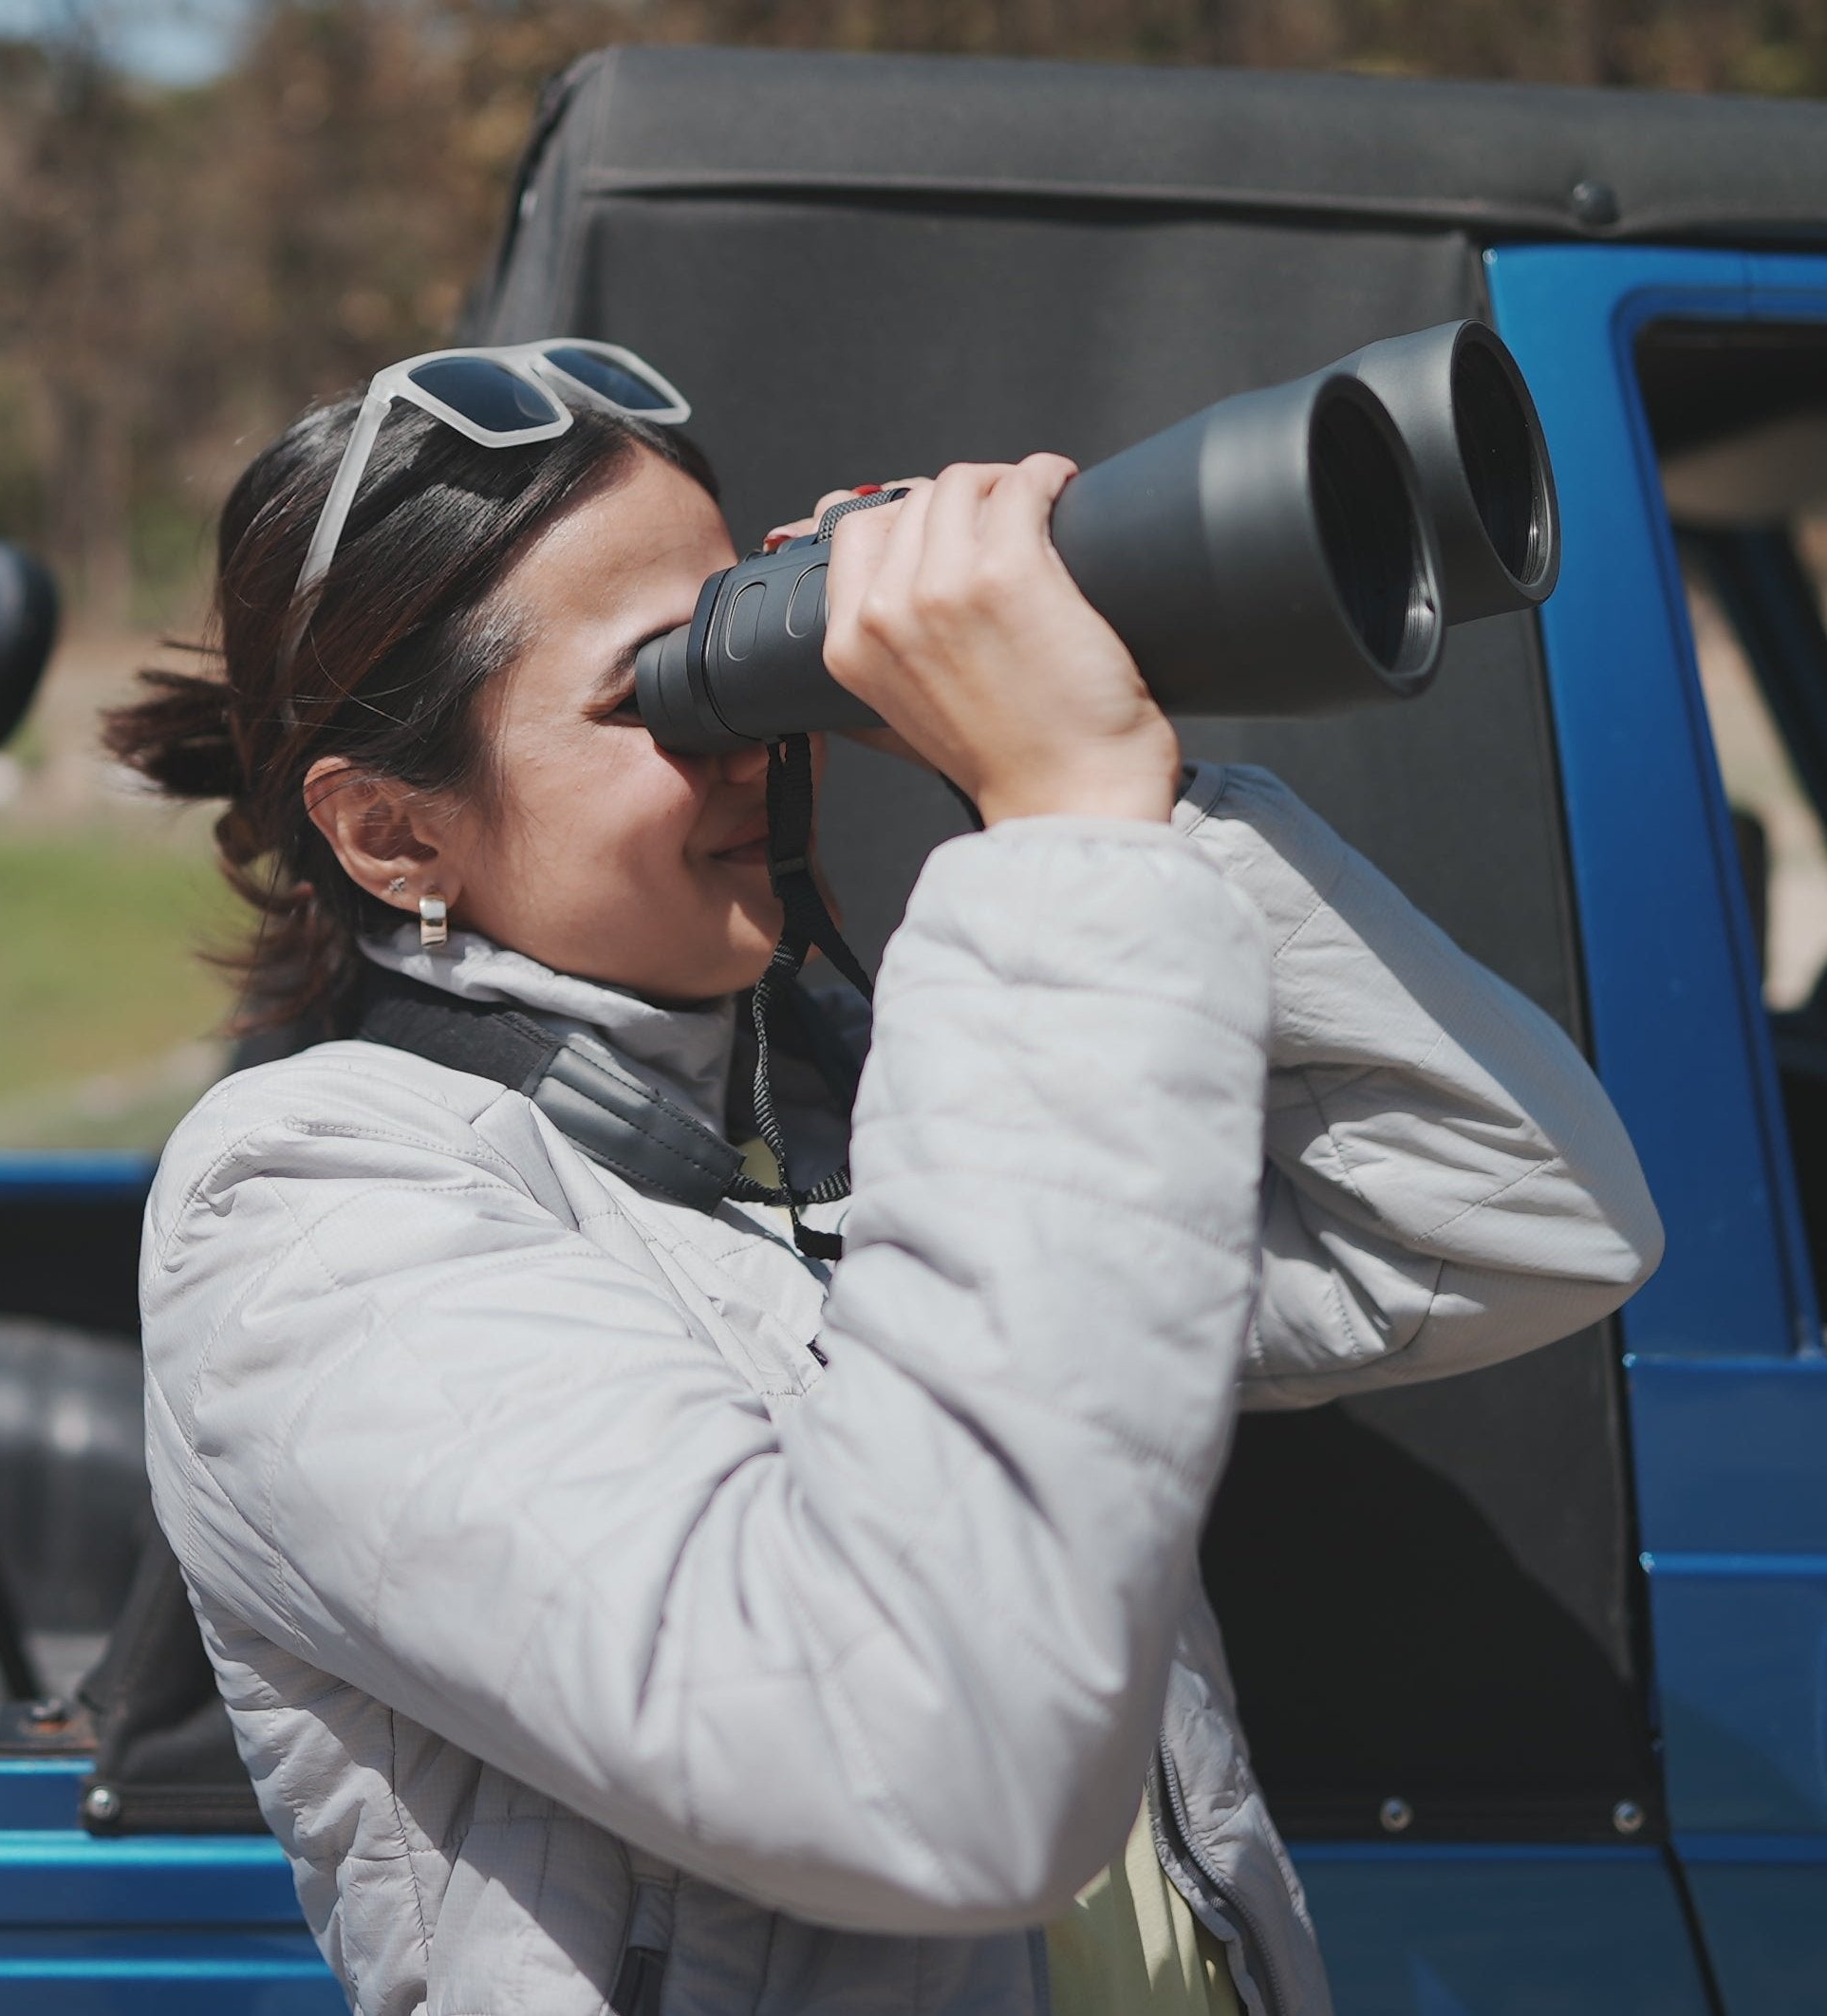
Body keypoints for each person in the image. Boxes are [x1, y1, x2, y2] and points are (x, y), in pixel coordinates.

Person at [103, 347, 1665, 2016]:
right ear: (396, 835)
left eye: (754, 637)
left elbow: (1518, 1218)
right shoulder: (315, 1214)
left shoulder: (863, 1093)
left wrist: (1143, 799)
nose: (764, 741)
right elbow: (926, 1771)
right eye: (666, 691)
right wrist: (1064, 834)